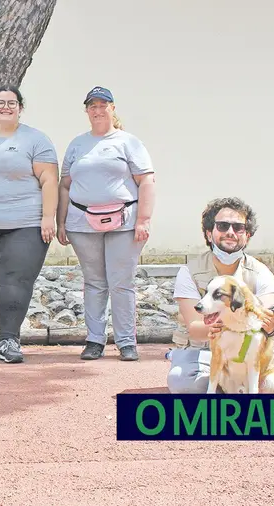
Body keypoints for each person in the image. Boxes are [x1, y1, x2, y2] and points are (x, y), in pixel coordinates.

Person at [167, 197, 274, 393]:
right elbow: (194, 327)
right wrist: (228, 323)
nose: (230, 232)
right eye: (223, 226)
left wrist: (272, 323)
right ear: (209, 233)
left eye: (238, 227)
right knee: (180, 380)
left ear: (247, 235)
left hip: (249, 352)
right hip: (204, 352)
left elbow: (268, 318)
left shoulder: (261, 272)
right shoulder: (189, 272)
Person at [56, 86, 156, 362]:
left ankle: (126, 342)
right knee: (94, 282)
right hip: (81, 223)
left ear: (113, 108)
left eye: (103, 105)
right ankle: (94, 340)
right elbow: (65, 185)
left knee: (121, 282)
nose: (98, 110)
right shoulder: (77, 144)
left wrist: (144, 220)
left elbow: (146, 180)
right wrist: (60, 221)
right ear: (87, 111)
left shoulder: (129, 142)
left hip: (124, 223)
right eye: (93, 106)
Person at [0, 84, 60, 364]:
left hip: (25, 223)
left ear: (20, 108)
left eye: (12, 103)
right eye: (1, 102)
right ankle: (8, 334)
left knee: (15, 280)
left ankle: (9, 340)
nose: (6, 107)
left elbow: (49, 180)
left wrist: (48, 217)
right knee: (0, 282)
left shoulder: (36, 140)